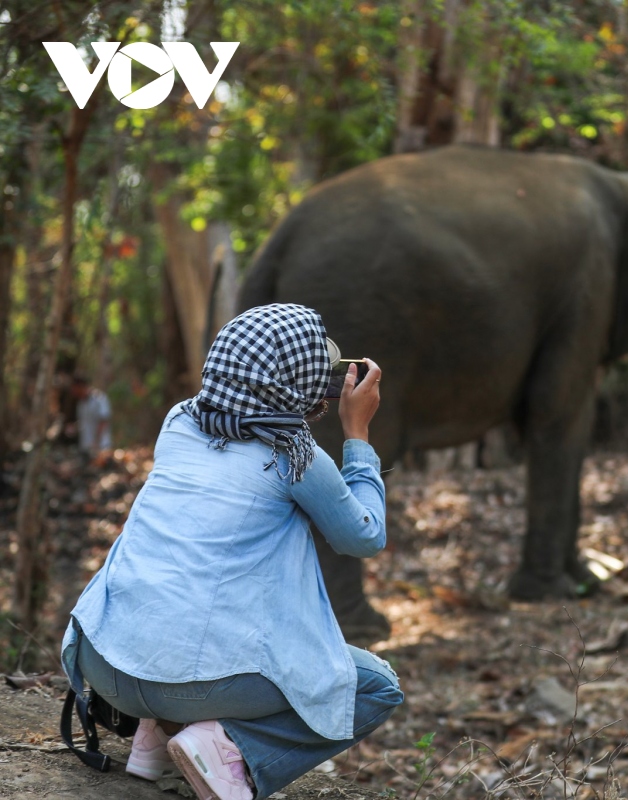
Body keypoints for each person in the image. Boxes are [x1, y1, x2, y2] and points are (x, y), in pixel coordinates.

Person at [60, 304, 403, 800]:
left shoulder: (179, 421)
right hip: (180, 680)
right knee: (376, 686)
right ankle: (226, 747)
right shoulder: (295, 454)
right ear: (294, 379)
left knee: (193, 587)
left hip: (104, 660)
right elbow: (364, 537)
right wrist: (358, 435)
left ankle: (155, 735)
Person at [70, 373, 112, 455]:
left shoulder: (99, 399)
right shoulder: (81, 403)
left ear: (81, 386)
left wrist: (96, 442)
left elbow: (103, 421)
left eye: (75, 389)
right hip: (85, 447)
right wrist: (74, 427)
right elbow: (83, 422)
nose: (73, 392)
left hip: (101, 447)